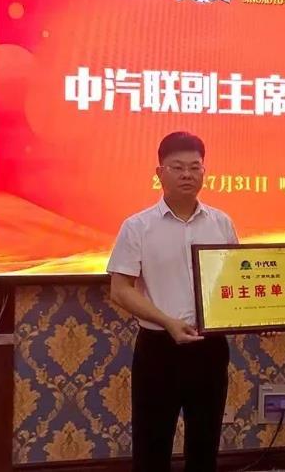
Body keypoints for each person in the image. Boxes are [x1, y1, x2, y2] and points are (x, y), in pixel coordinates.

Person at [107, 131, 238, 472]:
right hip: (158, 349)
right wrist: (167, 322)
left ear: (204, 172)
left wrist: (263, 317)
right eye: (177, 167)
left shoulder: (222, 223)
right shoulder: (137, 227)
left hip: (210, 348)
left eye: (195, 167)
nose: (187, 175)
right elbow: (120, 289)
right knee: (152, 447)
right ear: (159, 173)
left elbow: (238, 283)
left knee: (205, 447)